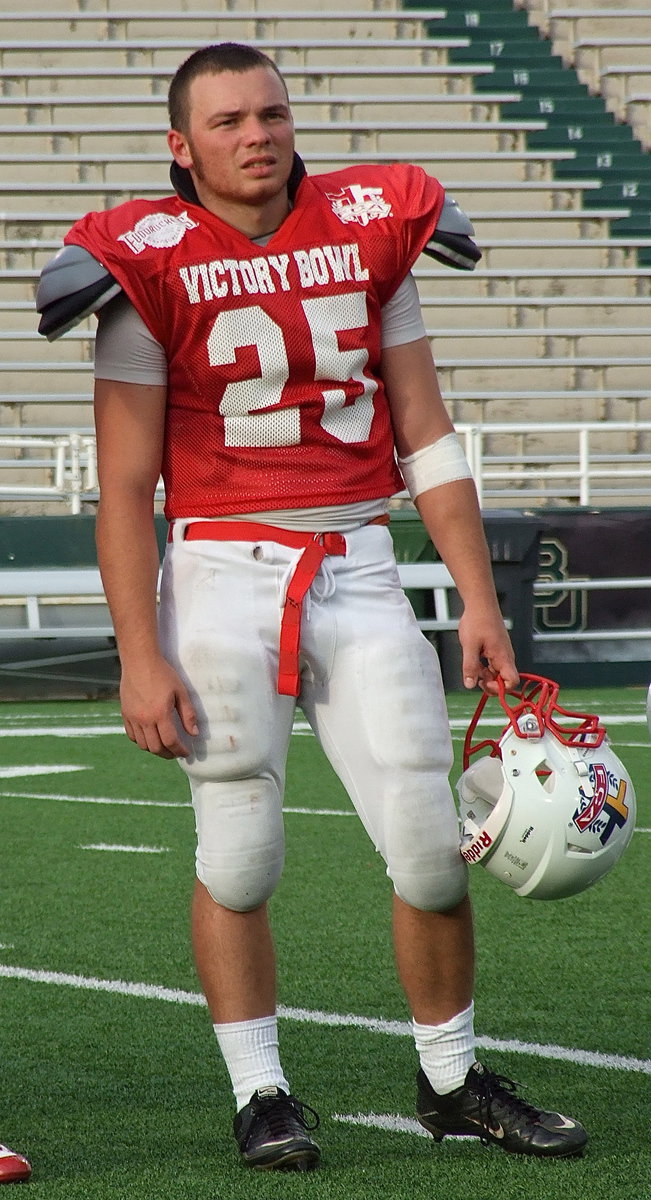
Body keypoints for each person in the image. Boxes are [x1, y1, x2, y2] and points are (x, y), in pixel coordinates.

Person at [36, 42, 588, 1171]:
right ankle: (261, 1093)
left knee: (433, 850)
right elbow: (127, 487)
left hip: (361, 562)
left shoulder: (373, 233)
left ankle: (451, 1079)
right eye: (230, 120)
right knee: (238, 853)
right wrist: (139, 652)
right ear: (181, 147)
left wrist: (477, 599)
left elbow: (426, 435)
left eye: (273, 112)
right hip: (221, 572)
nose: (259, 134)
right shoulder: (146, 264)